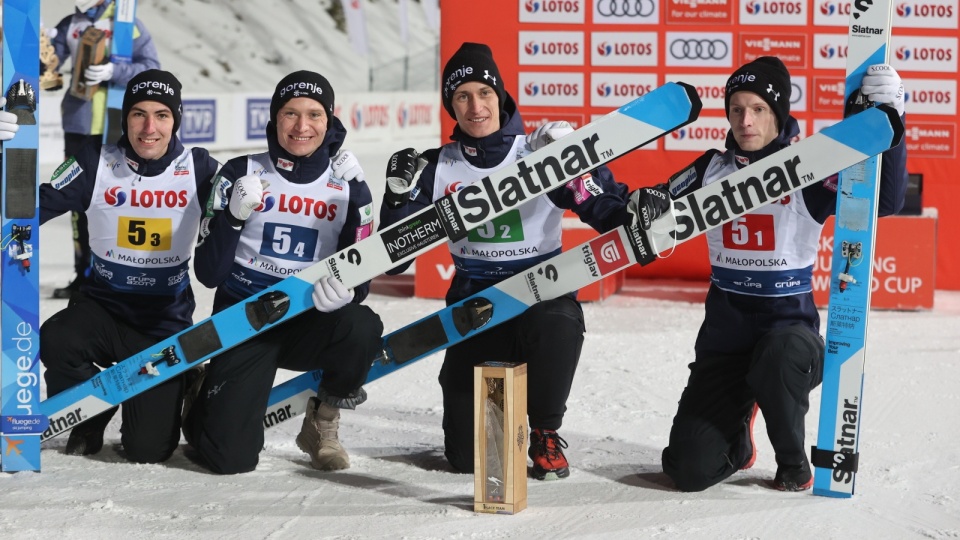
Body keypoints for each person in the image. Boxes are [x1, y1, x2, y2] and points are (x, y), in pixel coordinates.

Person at [629, 57, 908, 492]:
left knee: (777, 359)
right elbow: (654, 205)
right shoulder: (710, 169)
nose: (746, 120)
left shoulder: (806, 170)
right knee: (687, 469)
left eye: (758, 109)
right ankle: (737, 442)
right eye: (737, 108)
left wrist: (886, 120)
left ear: (777, 114)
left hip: (790, 338)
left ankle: (793, 462)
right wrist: (639, 202)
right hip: (725, 344)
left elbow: (885, 202)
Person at [379, 43, 631, 481]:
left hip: (540, 301)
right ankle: (497, 405)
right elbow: (395, 258)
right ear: (451, 106)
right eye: (462, 96)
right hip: (476, 312)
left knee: (557, 319)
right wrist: (397, 196)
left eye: (484, 93)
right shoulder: (438, 166)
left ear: (501, 96)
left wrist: (580, 165)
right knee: (468, 458)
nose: (476, 106)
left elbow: (606, 212)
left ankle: (545, 430)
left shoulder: (537, 152)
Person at [181, 70, 384, 475]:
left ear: (329, 121)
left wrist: (350, 292)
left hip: (309, 321)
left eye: (314, 115)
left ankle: (322, 422)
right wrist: (233, 218)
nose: (302, 126)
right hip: (246, 320)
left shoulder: (349, 187)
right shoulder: (240, 171)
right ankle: (203, 393)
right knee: (229, 459)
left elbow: (362, 274)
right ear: (274, 119)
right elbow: (207, 273)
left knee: (362, 327)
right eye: (290, 113)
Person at [39, 69, 220, 462]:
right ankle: (93, 413)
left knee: (147, 450)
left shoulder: (201, 169)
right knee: (56, 338)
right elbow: (30, 207)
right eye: (138, 114)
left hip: (163, 322)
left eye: (162, 115)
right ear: (125, 119)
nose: (149, 127)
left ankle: (184, 380)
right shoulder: (93, 161)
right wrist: (8, 153)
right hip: (100, 311)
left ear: (177, 119)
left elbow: (246, 225)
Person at [50, 0, 161, 299]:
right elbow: (48, 66)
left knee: (114, 202)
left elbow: (151, 67)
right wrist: (38, 49)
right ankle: (82, 274)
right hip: (78, 126)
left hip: (116, 126)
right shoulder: (70, 23)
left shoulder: (128, 23)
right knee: (76, 202)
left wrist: (115, 70)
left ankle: (117, 273)